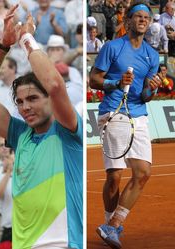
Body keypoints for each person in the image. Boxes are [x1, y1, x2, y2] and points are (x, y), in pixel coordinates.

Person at [0, 5, 83, 248]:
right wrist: (3, 46)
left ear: (49, 98)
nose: (25, 107)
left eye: (33, 98)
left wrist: (26, 38)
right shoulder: (19, 134)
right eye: (20, 101)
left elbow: (55, 85)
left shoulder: (68, 130)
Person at [88, 1, 162, 248]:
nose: (142, 20)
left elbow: (144, 96)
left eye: (146, 17)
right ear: (128, 21)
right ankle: (110, 223)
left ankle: (112, 226)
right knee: (115, 177)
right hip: (113, 112)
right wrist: (116, 83)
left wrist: (151, 89)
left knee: (143, 173)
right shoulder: (112, 47)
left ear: (149, 23)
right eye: (137, 16)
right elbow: (94, 80)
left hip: (138, 114)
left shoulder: (152, 55)